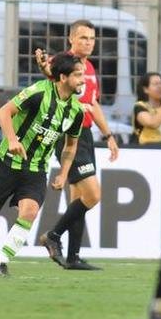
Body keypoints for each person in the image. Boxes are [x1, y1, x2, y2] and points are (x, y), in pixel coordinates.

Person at [0, 52, 85, 277]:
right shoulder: (39, 92)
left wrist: (64, 173)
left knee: (29, 212)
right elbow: (4, 112)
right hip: (7, 164)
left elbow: (71, 145)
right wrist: (12, 139)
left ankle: (0, 263)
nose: (83, 80)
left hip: (37, 170)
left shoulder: (76, 111)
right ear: (62, 77)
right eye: (78, 75)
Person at [36, 20, 120, 271]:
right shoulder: (64, 62)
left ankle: (72, 257)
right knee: (93, 195)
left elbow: (93, 104)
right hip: (68, 134)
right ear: (71, 39)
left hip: (85, 135)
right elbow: (50, 76)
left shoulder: (89, 67)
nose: (88, 42)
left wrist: (108, 136)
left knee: (78, 198)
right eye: (83, 38)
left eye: (92, 38)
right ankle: (53, 235)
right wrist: (43, 67)